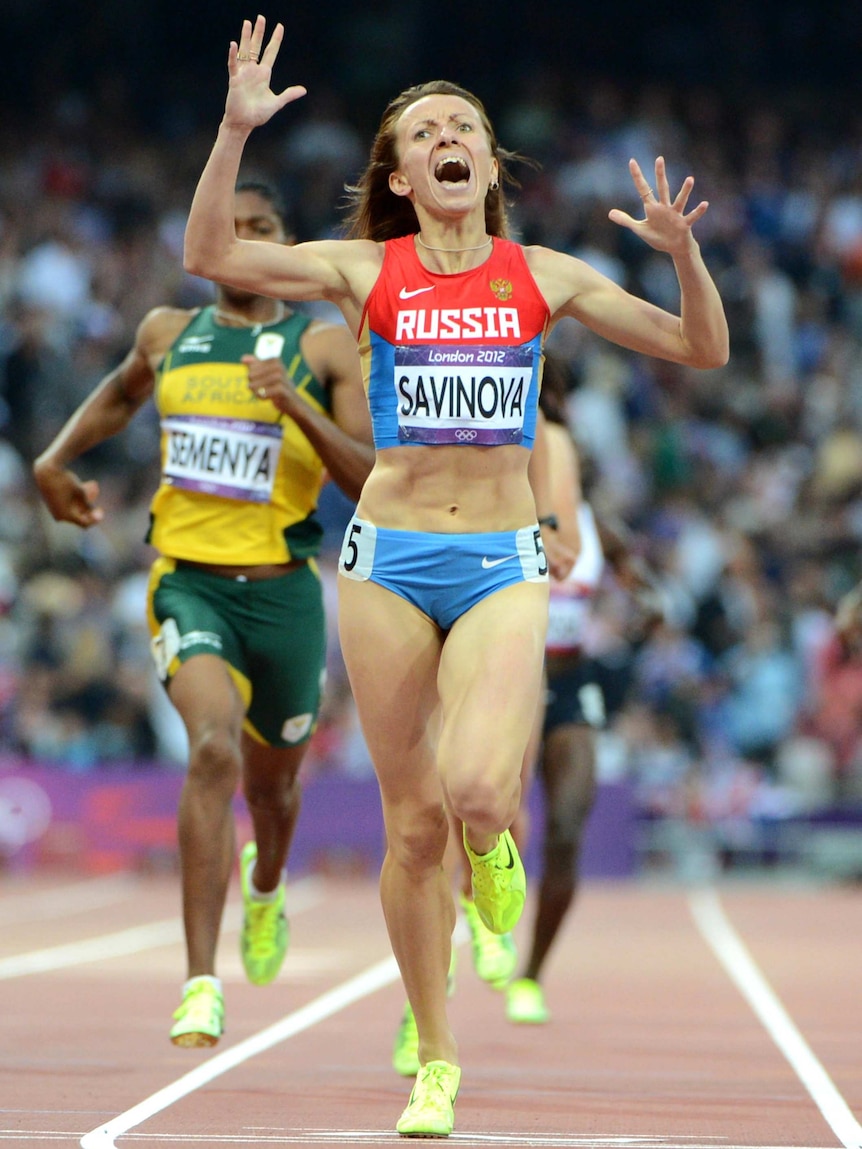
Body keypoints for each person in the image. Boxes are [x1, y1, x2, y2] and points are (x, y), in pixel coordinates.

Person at [183, 16, 728, 1136]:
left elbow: (700, 350)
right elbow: (211, 258)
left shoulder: (542, 275)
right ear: (399, 173)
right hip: (384, 564)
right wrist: (234, 133)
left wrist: (681, 252)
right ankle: (435, 1059)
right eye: (423, 129)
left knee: (479, 792)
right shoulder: (363, 270)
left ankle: (497, 850)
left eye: (463, 128)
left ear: (487, 165)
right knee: (411, 823)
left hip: (499, 561)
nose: (446, 137)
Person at [32, 179, 375, 1049]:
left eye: (263, 228)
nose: (245, 240)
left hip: (289, 595)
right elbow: (118, 392)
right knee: (214, 749)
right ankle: (199, 981)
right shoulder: (170, 332)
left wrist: (293, 400)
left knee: (276, 788)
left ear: (285, 250)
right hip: (189, 581)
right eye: (232, 228)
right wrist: (55, 458)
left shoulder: (325, 345)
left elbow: (370, 476)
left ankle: (266, 888)